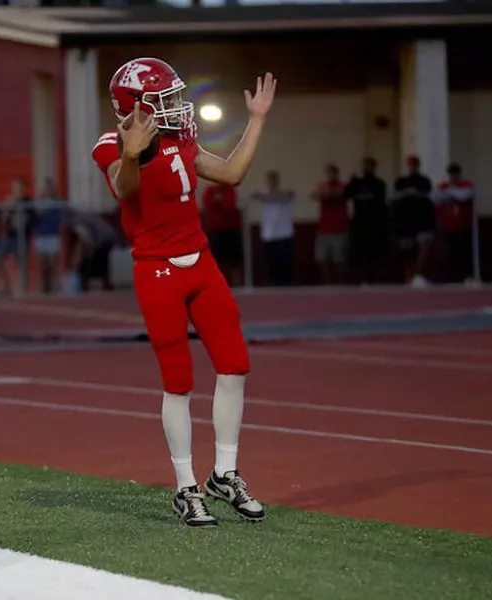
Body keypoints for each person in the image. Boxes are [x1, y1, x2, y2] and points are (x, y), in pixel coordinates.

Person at [92, 58, 275, 527]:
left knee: (234, 365)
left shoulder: (181, 138)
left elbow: (232, 173)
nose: (175, 105)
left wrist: (256, 121)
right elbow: (123, 190)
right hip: (157, 272)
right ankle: (185, 487)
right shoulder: (111, 147)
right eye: (164, 98)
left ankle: (225, 474)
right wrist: (132, 152)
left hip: (202, 263)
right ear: (136, 106)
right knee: (178, 381)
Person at [392, 155, 435, 287]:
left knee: (424, 248)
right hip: (406, 221)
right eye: (411, 165)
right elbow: (396, 201)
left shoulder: (424, 181)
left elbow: (429, 199)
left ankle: (418, 275)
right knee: (408, 252)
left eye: (415, 164)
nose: (413, 167)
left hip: (423, 220)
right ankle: (408, 277)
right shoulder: (401, 182)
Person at [344, 157, 388, 284]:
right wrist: (351, 181)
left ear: (374, 168)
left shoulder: (379, 184)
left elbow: (381, 203)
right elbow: (346, 195)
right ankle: (362, 279)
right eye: (365, 165)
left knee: (375, 253)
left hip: (375, 223)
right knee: (359, 253)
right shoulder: (356, 183)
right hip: (359, 223)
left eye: (370, 166)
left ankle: (374, 279)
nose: (367, 168)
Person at [252, 170, 295, 286]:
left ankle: (286, 282)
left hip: (284, 233)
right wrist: (268, 195)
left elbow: (291, 194)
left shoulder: (284, 194)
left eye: (274, 180)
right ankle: (274, 281)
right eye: (270, 180)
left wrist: (273, 195)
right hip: (269, 233)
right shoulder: (263, 194)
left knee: (284, 260)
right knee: (271, 260)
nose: (272, 182)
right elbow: (255, 195)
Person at [434, 163, 475, 283]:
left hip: (464, 225)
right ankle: (453, 277)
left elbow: (465, 195)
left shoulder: (466, 185)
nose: (453, 177)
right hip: (448, 226)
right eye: (451, 174)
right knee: (451, 252)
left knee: (465, 252)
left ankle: (467, 276)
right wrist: (452, 193)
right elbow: (436, 197)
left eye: (455, 174)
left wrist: (449, 193)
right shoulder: (442, 186)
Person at [310, 164, 349, 284]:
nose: (330, 175)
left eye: (333, 172)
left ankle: (339, 281)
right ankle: (328, 280)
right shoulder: (322, 186)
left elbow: (341, 194)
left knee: (339, 259)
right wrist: (326, 192)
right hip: (324, 229)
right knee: (321, 258)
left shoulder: (343, 186)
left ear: (337, 173)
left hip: (340, 229)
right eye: (328, 173)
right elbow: (313, 195)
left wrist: (328, 193)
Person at [202, 182, 243, 287]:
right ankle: (217, 283)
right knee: (216, 260)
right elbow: (207, 205)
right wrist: (218, 201)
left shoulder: (229, 190)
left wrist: (219, 202)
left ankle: (236, 283)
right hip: (215, 230)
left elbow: (229, 206)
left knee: (234, 259)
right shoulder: (210, 191)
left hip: (230, 229)